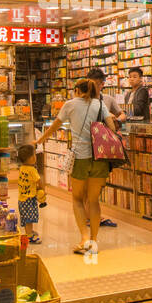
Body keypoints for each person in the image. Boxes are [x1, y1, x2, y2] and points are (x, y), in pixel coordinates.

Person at [34, 78, 117, 255]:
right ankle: (94, 242)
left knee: (78, 199)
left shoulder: (70, 105)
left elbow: (55, 126)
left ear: (78, 90)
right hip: (100, 157)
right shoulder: (100, 104)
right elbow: (112, 127)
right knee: (93, 201)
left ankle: (84, 239)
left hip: (80, 156)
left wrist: (41, 140)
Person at [84, 68, 119, 228]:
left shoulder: (105, 100)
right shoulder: (82, 100)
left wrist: (114, 119)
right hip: (88, 147)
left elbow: (119, 115)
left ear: (102, 84)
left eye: (97, 84)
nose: (94, 87)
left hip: (100, 147)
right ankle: (91, 216)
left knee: (96, 183)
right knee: (88, 184)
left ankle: (91, 215)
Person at [16, 143, 43, 244]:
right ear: (32, 158)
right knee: (29, 218)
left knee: (26, 216)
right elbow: (38, 181)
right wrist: (42, 189)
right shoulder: (32, 170)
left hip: (22, 198)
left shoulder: (22, 168)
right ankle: (29, 236)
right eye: (34, 155)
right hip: (29, 198)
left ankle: (29, 232)